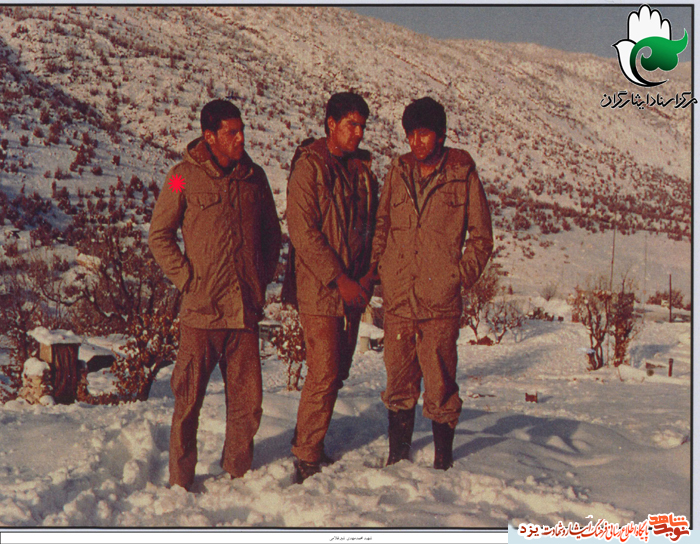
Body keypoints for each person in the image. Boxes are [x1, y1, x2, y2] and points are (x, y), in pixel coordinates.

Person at [148, 99, 281, 490]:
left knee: (248, 403)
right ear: (209, 136)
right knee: (188, 400)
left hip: (244, 309)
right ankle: (180, 482)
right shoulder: (181, 177)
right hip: (201, 311)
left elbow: (272, 234)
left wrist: (260, 278)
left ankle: (237, 474)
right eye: (231, 133)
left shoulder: (255, 177)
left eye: (242, 131)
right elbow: (159, 234)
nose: (240, 139)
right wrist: (187, 279)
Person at [370, 97, 493, 470]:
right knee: (398, 381)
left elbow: (481, 238)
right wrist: (381, 270)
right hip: (399, 299)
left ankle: (443, 461)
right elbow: (382, 225)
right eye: (410, 134)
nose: (416, 142)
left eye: (423, 134)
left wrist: (457, 277)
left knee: (440, 384)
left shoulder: (461, 173)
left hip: (439, 301)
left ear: (440, 135)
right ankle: (398, 456)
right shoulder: (398, 171)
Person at [285, 92, 378, 483]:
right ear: (330, 124)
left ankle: (311, 437)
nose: (358, 133)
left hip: (353, 290)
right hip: (320, 288)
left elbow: (375, 228)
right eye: (350, 125)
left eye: (362, 126)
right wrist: (339, 278)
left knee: (337, 370)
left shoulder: (362, 172)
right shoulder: (309, 168)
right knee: (323, 370)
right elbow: (303, 232)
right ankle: (306, 454)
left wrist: (368, 277)